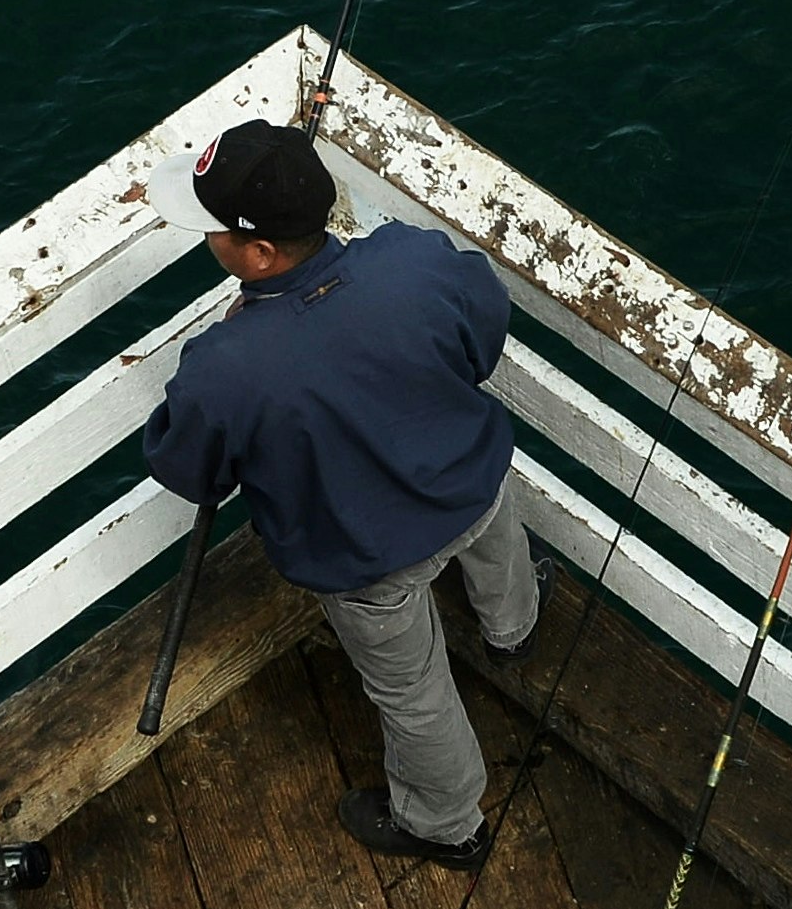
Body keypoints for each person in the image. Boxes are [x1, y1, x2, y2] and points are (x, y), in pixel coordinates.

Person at [139, 117, 538, 863]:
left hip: (368, 560)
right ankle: (513, 633)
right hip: (473, 479)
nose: (206, 241)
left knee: (415, 696)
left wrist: (245, 340)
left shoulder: (224, 367)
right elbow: (481, 327)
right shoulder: (413, 260)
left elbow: (189, 469)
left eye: (212, 230)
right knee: (498, 545)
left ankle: (446, 826)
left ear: (257, 253)